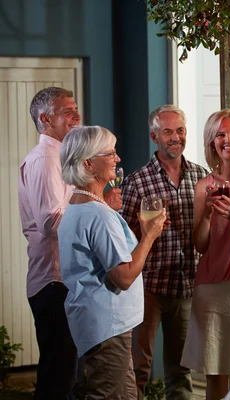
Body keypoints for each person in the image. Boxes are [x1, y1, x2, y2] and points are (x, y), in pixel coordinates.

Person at [17, 87, 121, 399]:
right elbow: (51, 223)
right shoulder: (45, 159)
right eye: (68, 111)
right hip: (54, 282)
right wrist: (99, 204)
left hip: (68, 280)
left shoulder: (62, 157)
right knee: (58, 379)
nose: (77, 116)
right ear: (45, 119)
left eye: (76, 109)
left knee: (70, 377)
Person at [58, 125, 166, 398]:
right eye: (111, 153)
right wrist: (149, 235)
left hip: (99, 323)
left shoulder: (78, 205)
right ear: (88, 164)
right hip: (108, 325)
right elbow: (124, 277)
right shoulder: (99, 215)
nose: (118, 159)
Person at [120, 104, 208, 399]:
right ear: (153, 136)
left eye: (180, 130)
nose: (175, 137)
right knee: (139, 366)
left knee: (181, 368)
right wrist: (148, 231)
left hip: (186, 286)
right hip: (148, 287)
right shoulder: (137, 181)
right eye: (167, 131)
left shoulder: (201, 176)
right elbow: (122, 238)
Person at [181, 110, 230, 400]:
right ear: (212, 142)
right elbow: (201, 245)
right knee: (215, 372)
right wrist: (204, 218)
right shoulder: (204, 186)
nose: (228, 140)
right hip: (211, 289)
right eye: (220, 135)